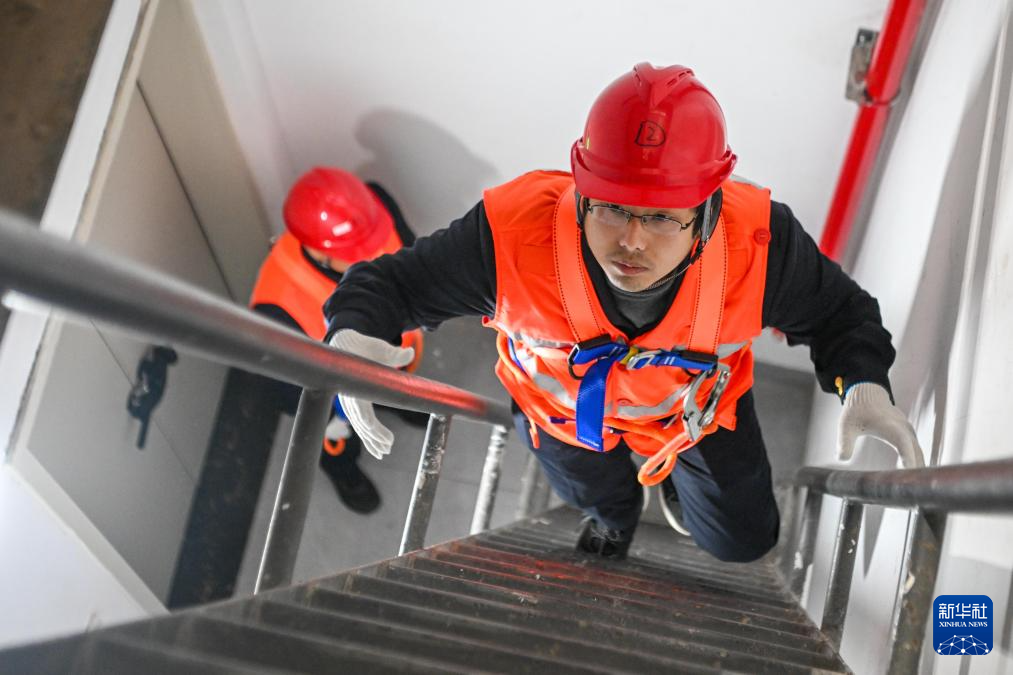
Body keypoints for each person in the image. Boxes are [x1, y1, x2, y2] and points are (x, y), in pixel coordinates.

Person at [320, 64, 924, 563]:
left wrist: (863, 380)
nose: (631, 242)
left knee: (744, 542)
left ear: (709, 211)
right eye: (611, 208)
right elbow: (389, 284)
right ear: (582, 190)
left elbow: (840, 314)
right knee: (598, 499)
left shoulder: (759, 245)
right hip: (562, 417)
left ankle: (680, 490)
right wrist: (353, 335)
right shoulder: (513, 236)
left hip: (694, 415)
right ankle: (614, 519)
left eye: (661, 217)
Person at [250, 166, 425, 513]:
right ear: (319, 251)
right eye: (356, 250)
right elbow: (281, 384)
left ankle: (396, 402)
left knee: (398, 387)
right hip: (338, 398)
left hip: (393, 357)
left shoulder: (375, 206)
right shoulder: (276, 305)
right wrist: (329, 421)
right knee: (336, 444)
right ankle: (345, 472)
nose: (372, 253)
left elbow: (414, 256)